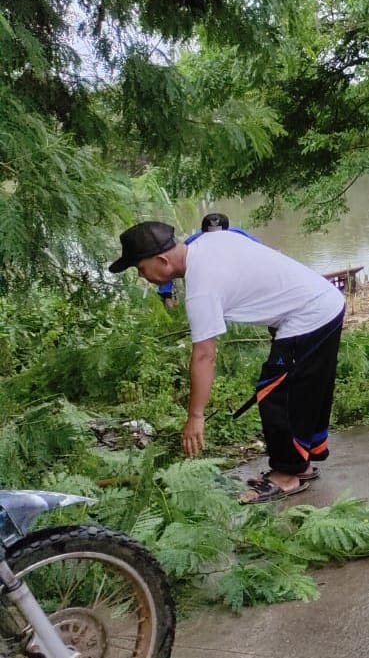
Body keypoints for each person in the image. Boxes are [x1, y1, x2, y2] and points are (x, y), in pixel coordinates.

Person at [110, 219, 347, 504]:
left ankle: (287, 476)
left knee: (278, 394)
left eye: (140, 268)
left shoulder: (201, 288)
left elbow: (205, 355)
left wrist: (195, 416)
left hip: (309, 313)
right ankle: (301, 465)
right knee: (302, 388)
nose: (142, 275)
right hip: (319, 301)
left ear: (162, 260)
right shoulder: (205, 241)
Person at [157, 213, 258, 307]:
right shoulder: (191, 243)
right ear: (203, 232)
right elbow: (170, 265)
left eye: (219, 235)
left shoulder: (242, 237)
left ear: (227, 231)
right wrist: (167, 295)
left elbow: (264, 257)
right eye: (210, 236)